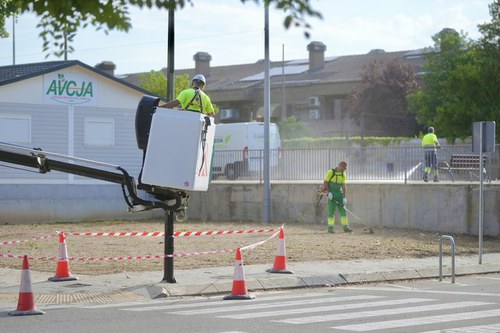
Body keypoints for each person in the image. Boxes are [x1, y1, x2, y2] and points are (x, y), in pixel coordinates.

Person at [321, 161, 352, 233]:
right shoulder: (331, 172)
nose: (345, 169)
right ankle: (330, 228)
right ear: (340, 166)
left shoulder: (343, 174)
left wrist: (344, 197)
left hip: (339, 194)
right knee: (331, 211)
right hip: (332, 193)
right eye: (344, 167)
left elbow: (344, 186)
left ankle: (346, 227)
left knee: (343, 210)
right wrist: (329, 193)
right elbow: (325, 182)